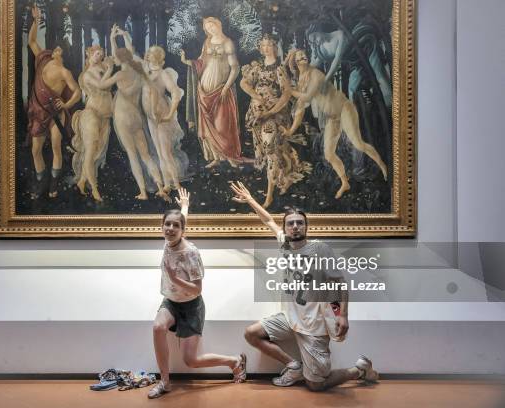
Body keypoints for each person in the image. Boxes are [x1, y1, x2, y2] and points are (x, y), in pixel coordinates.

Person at [230, 181, 379, 392]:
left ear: (306, 226)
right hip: (290, 319)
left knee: (316, 385)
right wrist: (251, 200)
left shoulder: (319, 249)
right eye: (290, 223)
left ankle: (359, 370)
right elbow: (268, 220)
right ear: (286, 228)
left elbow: (341, 283)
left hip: (314, 325)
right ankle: (293, 366)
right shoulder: (284, 244)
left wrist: (343, 315)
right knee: (251, 333)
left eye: (300, 223)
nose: (295, 227)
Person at [149, 188, 247, 398]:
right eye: (167, 224)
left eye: (176, 226)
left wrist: (175, 279)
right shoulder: (168, 240)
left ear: (183, 230)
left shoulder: (191, 253)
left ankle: (234, 361)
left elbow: (198, 288)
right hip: (171, 302)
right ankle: (164, 382)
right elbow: (181, 218)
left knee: (191, 361)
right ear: (162, 226)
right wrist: (185, 204)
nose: (171, 228)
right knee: (158, 327)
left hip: (192, 306)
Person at [282, 49, 388, 199]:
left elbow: (308, 96)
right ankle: (345, 183)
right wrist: (291, 130)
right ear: (295, 62)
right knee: (329, 154)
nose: (303, 57)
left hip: (344, 108)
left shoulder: (315, 74)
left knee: (357, 143)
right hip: (332, 117)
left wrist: (289, 90)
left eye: (304, 55)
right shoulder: (301, 79)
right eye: (299, 56)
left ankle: (382, 165)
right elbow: (300, 108)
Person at [91, 26, 169, 202]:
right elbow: (128, 52)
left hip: (123, 118)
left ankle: (143, 192)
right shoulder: (138, 70)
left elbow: (101, 86)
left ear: (119, 59)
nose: (112, 58)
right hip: (136, 117)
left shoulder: (120, 75)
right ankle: (159, 185)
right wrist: (117, 37)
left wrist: (110, 69)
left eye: (114, 57)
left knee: (133, 155)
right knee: (146, 155)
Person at [115, 27, 189, 199]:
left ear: (158, 58)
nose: (148, 56)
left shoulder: (163, 74)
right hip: (150, 116)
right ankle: (166, 185)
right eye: (148, 55)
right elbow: (131, 55)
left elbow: (176, 94)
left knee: (165, 152)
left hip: (161, 116)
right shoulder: (145, 69)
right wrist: (125, 35)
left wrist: (170, 115)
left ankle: (177, 187)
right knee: (158, 151)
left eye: (150, 55)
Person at [240, 34, 312, 209]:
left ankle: (269, 196)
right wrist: (256, 96)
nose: (266, 48)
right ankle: (284, 178)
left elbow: (286, 95)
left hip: (274, 115)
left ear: (275, 47)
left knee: (271, 152)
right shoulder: (257, 67)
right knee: (275, 151)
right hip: (258, 115)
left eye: (269, 45)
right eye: (263, 45)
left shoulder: (279, 69)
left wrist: (270, 111)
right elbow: (244, 83)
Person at [27, 5, 81, 199]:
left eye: (59, 49)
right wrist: (36, 20)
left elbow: (77, 92)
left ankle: (53, 184)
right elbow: (32, 41)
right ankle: (41, 183)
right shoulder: (42, 59)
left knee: (57, 148)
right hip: (38, 112)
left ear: (63, 54)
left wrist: (66, 105)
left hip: (54, 115)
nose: (55, 49)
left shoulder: (65, 72)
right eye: (56, 48)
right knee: (35, 150)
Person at [180, 17, 245, 168]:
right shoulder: (207, 42)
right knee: (207, 125)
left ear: (219, 25)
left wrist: (226, 87)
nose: (210, 29)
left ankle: (229, 156)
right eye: (208, 28)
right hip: (204, 89)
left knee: (222, 125)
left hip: (220, 88)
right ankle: (215, 157)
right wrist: (186, 61)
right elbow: (201, 62)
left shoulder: (228, 43)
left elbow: (235, 68)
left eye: (212, 26)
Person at [71, 45, 114, 202]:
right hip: (91, 115)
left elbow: (114, 59)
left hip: (105, 116)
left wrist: (111, 39)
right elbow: (103, 85)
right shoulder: (87, 75)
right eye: (97, 54)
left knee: (95, 152)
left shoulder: (103, 66)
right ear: (89, 54)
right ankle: (94, 189)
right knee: (89, 152)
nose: (100, 57)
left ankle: (82, 182)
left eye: (101, 54)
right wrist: (110, 69)